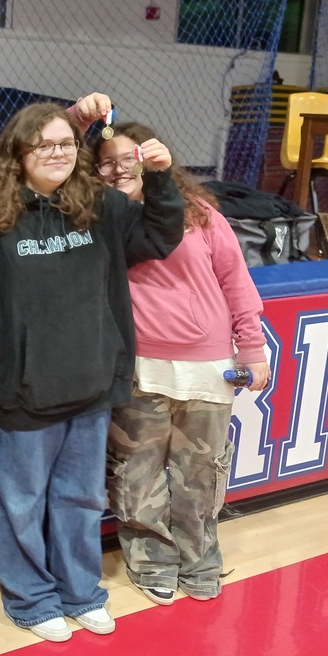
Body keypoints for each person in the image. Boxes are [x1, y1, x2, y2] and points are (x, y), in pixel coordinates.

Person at [0, 98, 185, 643]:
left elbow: (160, 234)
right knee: (21, 504)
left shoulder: (100, 206)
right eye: (43, 144)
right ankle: (31, 601)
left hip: (90, 384)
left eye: (64, 144)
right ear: (19, 152)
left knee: (80, 499)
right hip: (21, 389)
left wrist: (162, 176)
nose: (56, 153)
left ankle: (81, 592)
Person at [95, 121, 271, 605]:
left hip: (207, 370)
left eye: (126, 159)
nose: (115, 170)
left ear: (151, 159)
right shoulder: (98, 220)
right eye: (105, 161)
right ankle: (152, 561)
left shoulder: (199, 214)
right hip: (136, 370)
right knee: (136, 474)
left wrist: (251, 348)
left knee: (202, 474)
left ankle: (200, 560)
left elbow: (236, 281)